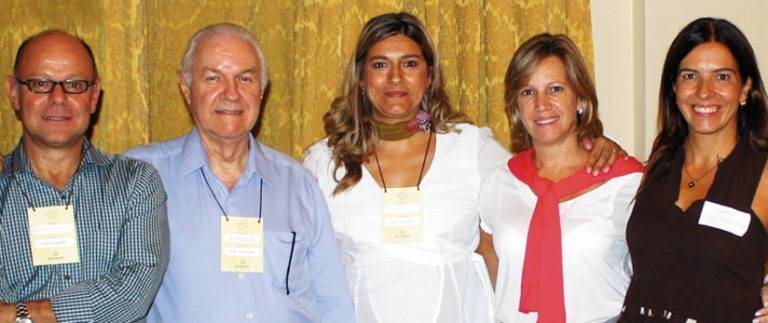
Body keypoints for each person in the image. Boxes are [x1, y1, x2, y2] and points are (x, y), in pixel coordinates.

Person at [303, 12, 624, 323]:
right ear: (361, 77)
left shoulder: (470, 147)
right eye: (380, 65)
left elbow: (544, 174)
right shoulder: (323, 162)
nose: (396, 77)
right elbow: (305, 270)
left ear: (429, 76)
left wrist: (591, 143)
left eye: (410, 64)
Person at [124, 23, 355, 323]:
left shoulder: (298, 185)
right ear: (186, 89)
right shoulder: (142, 176)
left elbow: (333, 303)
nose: (230, 93)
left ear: (261, 90)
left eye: (245, 78)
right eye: (213, 78)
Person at [0, 30, 169, 322]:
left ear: (93, 96)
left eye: (74, 85)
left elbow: (131, 296)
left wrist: (21, 315)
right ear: (14, 93)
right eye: (40, 84)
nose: (58, 98)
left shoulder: (136, 182)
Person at [478, 33, 644, 322]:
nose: (541, 104)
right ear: (516, 106)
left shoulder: (627, 181)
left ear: (579, 100)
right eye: (528, 92)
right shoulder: (500, 179)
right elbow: (487, 248)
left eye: (555, 89)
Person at [619, 17, 768, 322]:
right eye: (690, 76)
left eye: (722, 77)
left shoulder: (762, 170)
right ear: (674, 87)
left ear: (745, 90)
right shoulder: (659, 163)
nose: (704, 91)